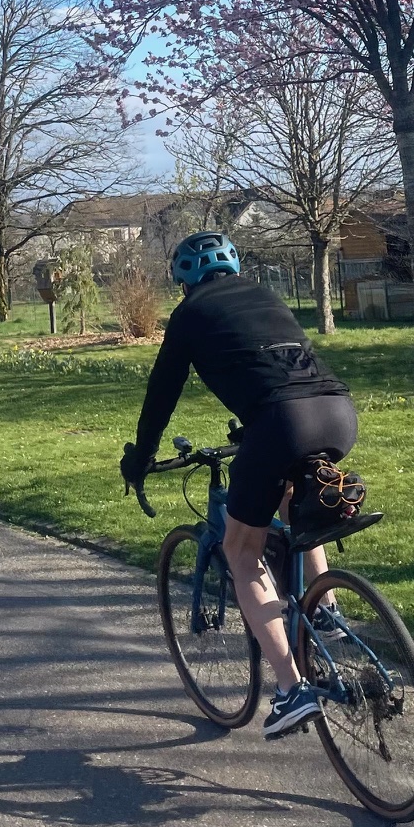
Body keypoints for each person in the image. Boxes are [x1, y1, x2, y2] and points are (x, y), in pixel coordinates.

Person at [122, 232, 357, 739]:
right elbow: (272, 365)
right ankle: (327, 614)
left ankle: (292, 691)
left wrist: (138, 460)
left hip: (281, 421)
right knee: (297, 500)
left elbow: (160, 396)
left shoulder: (188, 316)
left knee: (240, 548)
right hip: (337, 412)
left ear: (184, 280)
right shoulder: (265, 296)